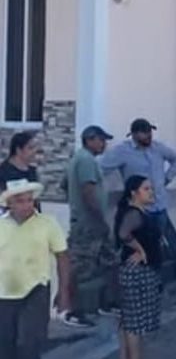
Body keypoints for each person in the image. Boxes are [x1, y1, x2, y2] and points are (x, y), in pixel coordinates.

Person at [100, 119, 176, 296]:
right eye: (144, 132)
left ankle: (155, 285)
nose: (148, 135)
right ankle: (131, 290)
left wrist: (166, 179)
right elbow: (101, 167)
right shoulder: (123, 152)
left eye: (150, 132)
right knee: (134, 248)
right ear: (134, 134)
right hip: (138, 210)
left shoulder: (157, 148)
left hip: (159, 206)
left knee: (155, 248)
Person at [0, 179, 72, 359]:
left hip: (35, 290)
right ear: (9, 204)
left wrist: (64, 292)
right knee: (5, 345)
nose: (26, 205)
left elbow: (62, 257)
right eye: (20, 201)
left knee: (27, 343)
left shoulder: (47, 224)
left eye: (30, 199)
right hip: (4, 294)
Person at [63, 125, 120, 329]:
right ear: (90, 140)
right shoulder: (86, 160)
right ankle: (72, 311)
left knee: (110, 261)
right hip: (88, 225)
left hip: (89, 222)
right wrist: (98, 219)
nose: (104, 144)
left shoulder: (78, 159)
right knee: (80, 267)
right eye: (101, 140)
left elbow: (64, 185)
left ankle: (109, 302)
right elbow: (88, 193)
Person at [114, 175, 163, 359]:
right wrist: (140, 250)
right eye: (146, 189)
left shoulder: (138, 212)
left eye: (151, 188)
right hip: (138, 273)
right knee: (135, 322)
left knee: (127, 321)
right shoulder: (134, 214)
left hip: (137, 271)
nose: (151, 192)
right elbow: (123, 234)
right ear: (134, 193)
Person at [0, 131, 40, 214]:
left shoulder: (32, 171)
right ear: (18, 150)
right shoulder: (3, 171)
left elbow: (35, 200)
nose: (34, 152)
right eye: (30, 148)